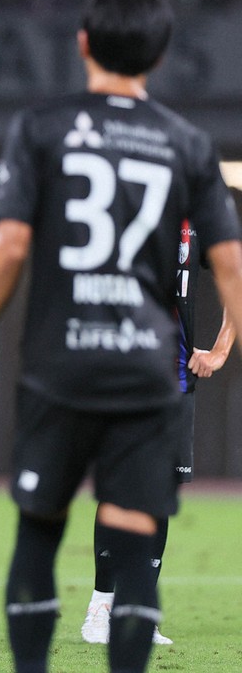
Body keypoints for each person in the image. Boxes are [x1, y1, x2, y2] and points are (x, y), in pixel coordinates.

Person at [0, 0, 242, 672]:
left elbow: (10, 246)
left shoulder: (42, 127)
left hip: (61, 363)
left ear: (81, 43)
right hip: (148, 368)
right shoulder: (187, 143)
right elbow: (230, 262)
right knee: (139, 529)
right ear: (161, 53)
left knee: (39, 531)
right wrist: (228, 340)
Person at [81, 223, 236, 646]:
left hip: (175, 380)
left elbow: (234, 271)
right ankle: (102, 606)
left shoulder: (194, 223)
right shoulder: (113, 205)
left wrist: (221, 348)